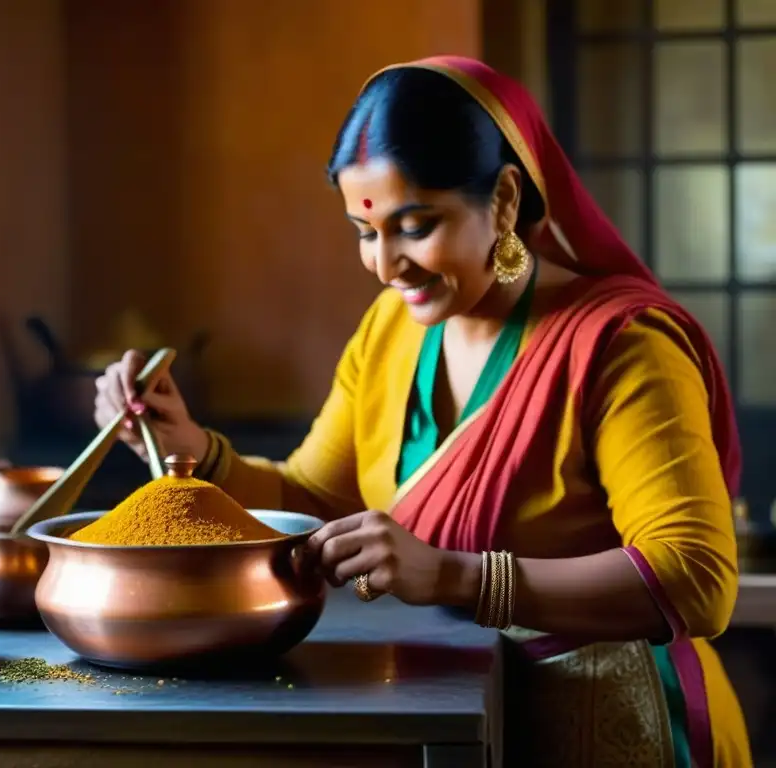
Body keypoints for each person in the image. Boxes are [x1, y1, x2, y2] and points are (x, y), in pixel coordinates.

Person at [93, 56, 749, 766]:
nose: (385, 264)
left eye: (416, 225)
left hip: (617, 721)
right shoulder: (391, 331)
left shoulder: (619, 346)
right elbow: (312, 499)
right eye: (364, 231)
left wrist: (454, 577)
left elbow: (695, 578)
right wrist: (189, 445)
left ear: (502, 199)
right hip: (457, 709)